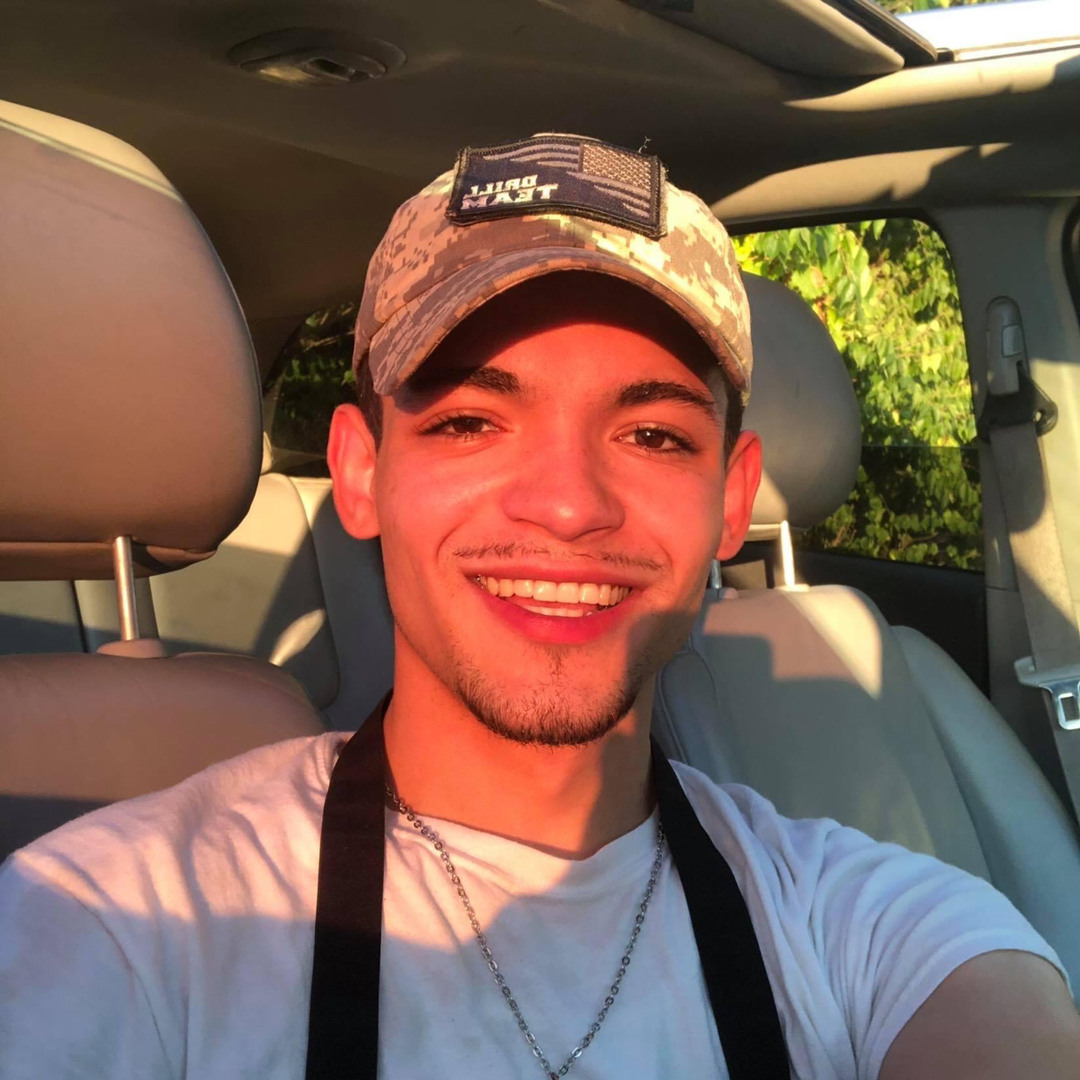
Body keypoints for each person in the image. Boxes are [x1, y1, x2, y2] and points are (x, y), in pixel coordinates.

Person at [1, 133, 1078, 1079]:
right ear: (362, 473)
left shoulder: (872, 921)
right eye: (469, 422)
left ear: (729, 500)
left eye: (652, 434)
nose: (568, 504)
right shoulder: (117, 921)